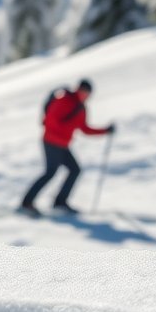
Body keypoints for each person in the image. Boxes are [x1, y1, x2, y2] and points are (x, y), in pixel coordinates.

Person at [19, 78, 114, 217]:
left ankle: (60, 202)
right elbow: (49, 121)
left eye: (88, 93)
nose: (85, 94)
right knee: (50, 172)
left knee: (75, 170)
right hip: (51, 141)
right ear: (78, 89)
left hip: (62, 144)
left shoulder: (81, 108)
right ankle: (27, 203)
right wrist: (62, 131)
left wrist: (105, 131)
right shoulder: (64, 99)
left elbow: (85, 129)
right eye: (83, 91)